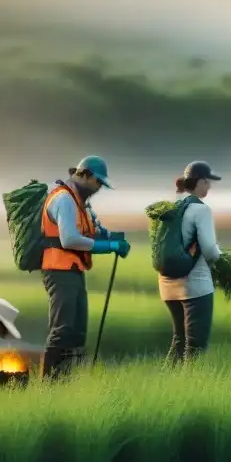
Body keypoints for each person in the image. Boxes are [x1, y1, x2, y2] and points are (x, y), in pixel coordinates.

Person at [40, 155, 131, 378]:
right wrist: (109, 246)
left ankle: (69, 381)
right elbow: (69, 240)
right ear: (85, 175)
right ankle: (49, 385)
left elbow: (92, 229)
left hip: (73, 270)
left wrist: (111, 236)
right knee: (63, 329)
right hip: (58, 271)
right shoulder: (63, 199)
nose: (99, 187)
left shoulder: (80, 202)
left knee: (77, 330)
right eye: (98, 182)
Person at [158, 161, 223, 362]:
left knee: (179, 341)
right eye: (208, 182)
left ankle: (166, 386)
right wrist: (222, 262)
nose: (209, 187)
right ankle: (187, 388)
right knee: (195, 347)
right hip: (194, 285)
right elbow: (210, 250)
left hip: (167, 284)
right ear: (201, 181)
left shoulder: (170, 206)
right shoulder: (200, 210)